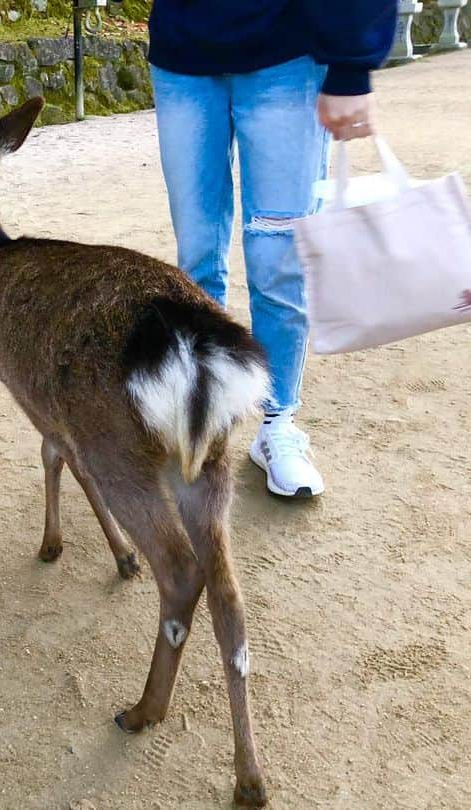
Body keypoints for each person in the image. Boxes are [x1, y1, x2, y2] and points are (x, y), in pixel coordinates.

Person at [146, 1, 397, 498]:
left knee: (278, 261)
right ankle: (206, 415)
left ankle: (278, 421)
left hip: (286, 56)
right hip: (182, 56)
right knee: (195, 259)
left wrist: (351, 66)